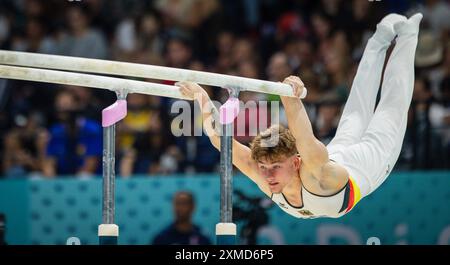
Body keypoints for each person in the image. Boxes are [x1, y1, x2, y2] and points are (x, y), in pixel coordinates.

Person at [177, 13, 422, 219]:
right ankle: (386, 37)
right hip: (361, 171)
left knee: (383, 108)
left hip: (353, 163)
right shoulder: (264, 170)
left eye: (274, 166)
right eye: (263, 166)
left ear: (296, 162)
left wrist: (290, 96)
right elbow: (221, 139)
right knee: (365, 107)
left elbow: (301, 139)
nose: (268, 174)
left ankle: (401, 34)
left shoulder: (312, 170)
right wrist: (202, 96)